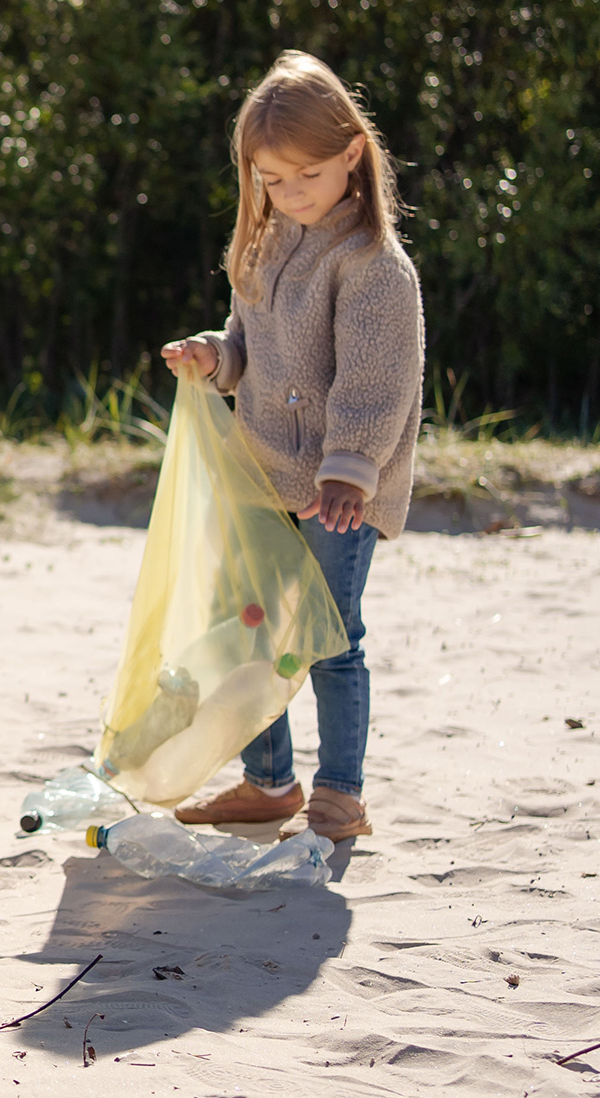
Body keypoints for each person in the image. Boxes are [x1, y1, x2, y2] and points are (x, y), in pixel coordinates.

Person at [160, 51, 424, 844]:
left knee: (329, 637)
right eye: (272, 179)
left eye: (306, 174)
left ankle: (340, 792)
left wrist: (350, 471)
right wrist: (214, 356)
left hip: (340, 488)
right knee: (246, 629)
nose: (290, 192)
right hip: (263, 473)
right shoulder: (270, 244)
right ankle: (269, 781)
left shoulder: (373, 264)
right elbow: (251, 346)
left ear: (352, 154)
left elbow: (377, 383)